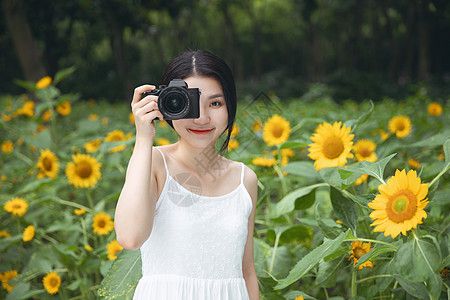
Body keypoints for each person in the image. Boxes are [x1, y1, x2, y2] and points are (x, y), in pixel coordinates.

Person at [114, 50, 260, 300]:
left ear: (230, 106)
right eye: (190, 103)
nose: (202, 118)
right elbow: (130, 237)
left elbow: (246, 272)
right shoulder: (154, 164)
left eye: (215, 103)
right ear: (169, 104)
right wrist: (143, 138)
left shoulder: (244, 179)